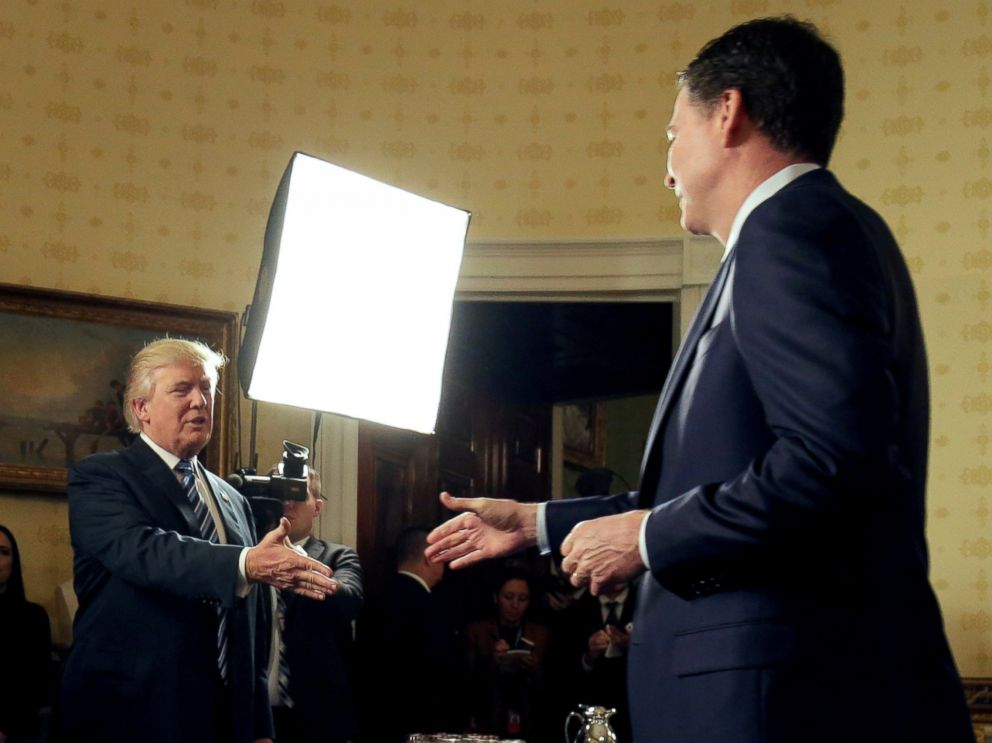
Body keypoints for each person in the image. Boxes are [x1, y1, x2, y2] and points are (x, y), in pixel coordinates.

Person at [426, 16, 974, 743]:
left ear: (728, 112)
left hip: (778, 698)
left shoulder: (789, 233)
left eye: (670, 135)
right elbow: (720, 478)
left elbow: (830, 465)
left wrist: (648, 538)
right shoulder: (815, 230)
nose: (666, 167)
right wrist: (532, 523)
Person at [59, 338, 338, 743]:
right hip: (129, 713)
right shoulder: (101, 478)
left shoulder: (232, 497)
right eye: (181, 390)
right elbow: (146, 552)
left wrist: (258, 723)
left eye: (206, 388)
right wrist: (244, 564)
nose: (200, 401)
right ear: (141, 408)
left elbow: (252, 621)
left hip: (223, 719)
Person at [267, 465, 364, 743]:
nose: (287, 502)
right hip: (253, 713)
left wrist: (294, 558)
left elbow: (349, 601)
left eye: (298, 493)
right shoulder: (246, 557)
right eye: (279, 492)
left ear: (317, 507)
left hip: (319, 716)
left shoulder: (338, 556)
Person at [360, 527, 459, 741]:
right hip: (420, 725)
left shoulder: (374, 599)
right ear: (428, 558)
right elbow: (441, 671)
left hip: (374, 723)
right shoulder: (430, 607)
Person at [464, 567, 549, 739]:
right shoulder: (476, 631)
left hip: (530, 720)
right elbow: (465, 682)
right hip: (488, 718)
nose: (515, 605)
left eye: (523, 599)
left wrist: (535, 668)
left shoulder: (541, 634)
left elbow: (553, 686)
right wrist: (493, 662)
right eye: (508, 597)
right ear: (496, 597)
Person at [0, 524, 51, 743]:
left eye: (3, 552)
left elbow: (36, 684)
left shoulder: (33, 617)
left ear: (14, 562)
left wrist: (5, 728)